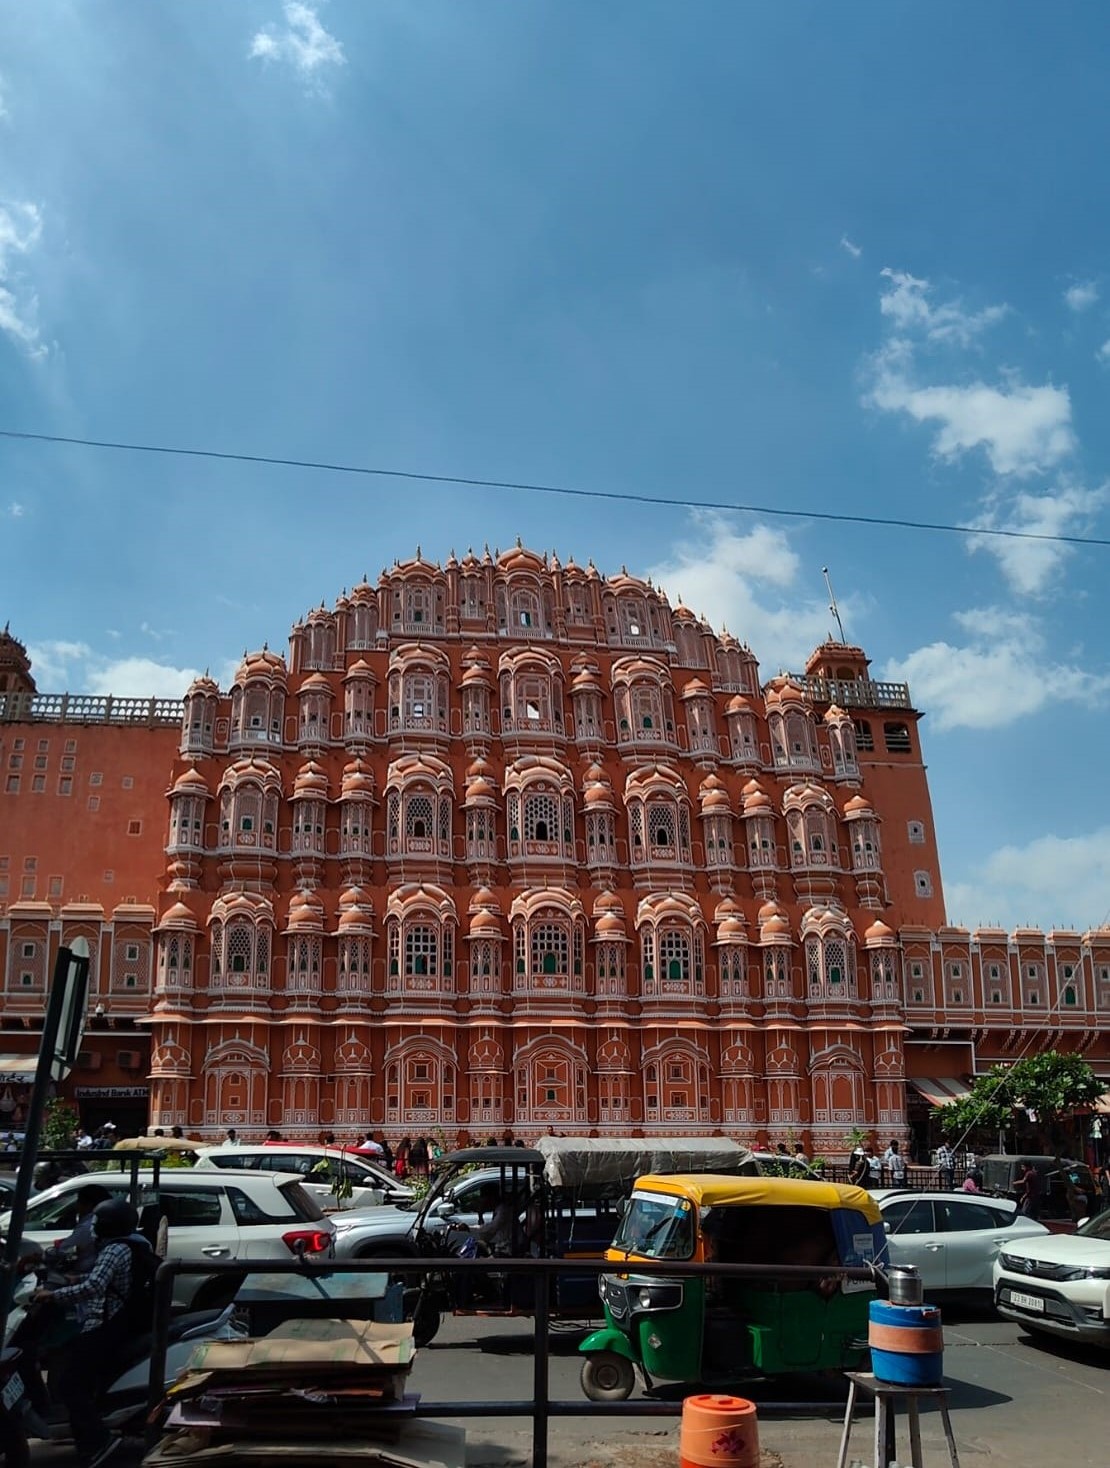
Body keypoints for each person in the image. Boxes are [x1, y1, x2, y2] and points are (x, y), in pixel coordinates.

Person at [31, 1197, 153, 1468]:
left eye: (97, 1221)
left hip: (104, 1325)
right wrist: (76, 1279)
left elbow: (95, 1287)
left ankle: (98, 1441)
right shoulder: (134, 1243)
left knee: (70, 1385)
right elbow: (107, 1279)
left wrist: (54, 1295)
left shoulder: (114, 1249)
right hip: (120, 1323)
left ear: (108, 1224)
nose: (94, 1226)